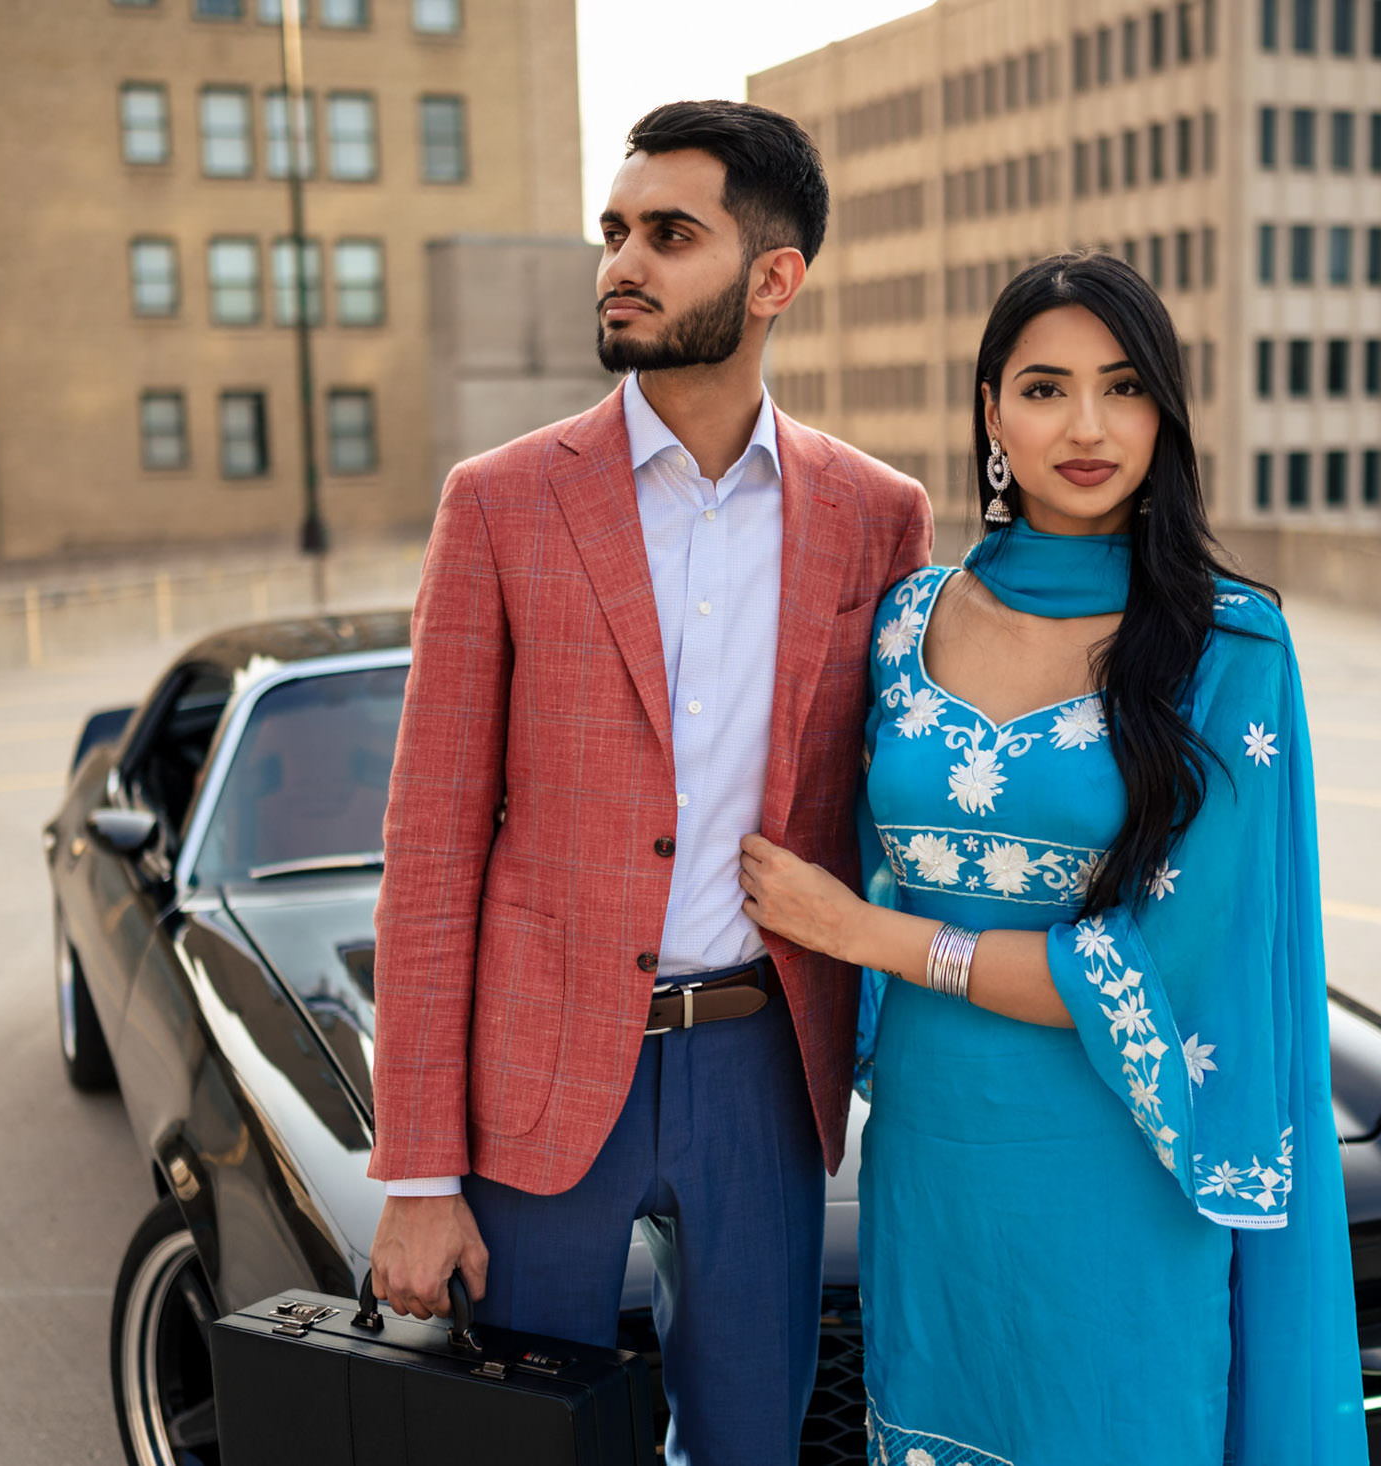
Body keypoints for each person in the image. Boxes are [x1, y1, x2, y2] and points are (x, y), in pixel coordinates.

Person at [364, 99, 932, 1466]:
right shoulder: (498, 500)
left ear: (774, 278)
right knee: (524, 1441)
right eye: (614, 231)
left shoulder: (879, 514)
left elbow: (904, 807)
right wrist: (420, 1171)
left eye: (670, 235)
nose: (623, 261)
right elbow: (431, 848)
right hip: (541, 1069)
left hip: (763, 1062)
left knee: (749, 1441)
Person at [737, 251, 1369, 1466]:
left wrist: (876, 937)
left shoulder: (1227, 645)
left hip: (1121, 1155)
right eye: (1043, 388)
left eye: (1122, 387)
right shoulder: (902, 619)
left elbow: (1168, 962)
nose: (1086, 426)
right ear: (989, 413)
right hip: (933, 1150)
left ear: (1164, 413)